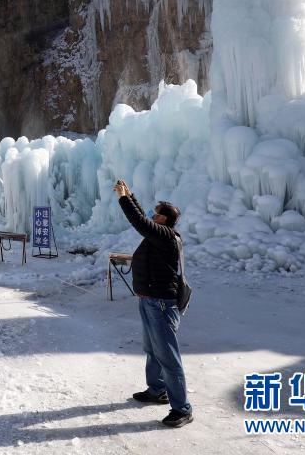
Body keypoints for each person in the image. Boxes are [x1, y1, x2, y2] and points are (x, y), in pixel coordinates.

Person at [113, 179, 193, 428]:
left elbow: (140, 223)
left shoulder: (167, 236)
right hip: (149, 301)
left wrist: (124, 199)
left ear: (163, 219)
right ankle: (157, 390)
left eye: (155, 213)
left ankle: (182, 409)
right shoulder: (159, 234)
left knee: (168, 356)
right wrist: (131, 195)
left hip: (161, 304)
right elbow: (145, 223)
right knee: (152, 349)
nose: (151, 214)